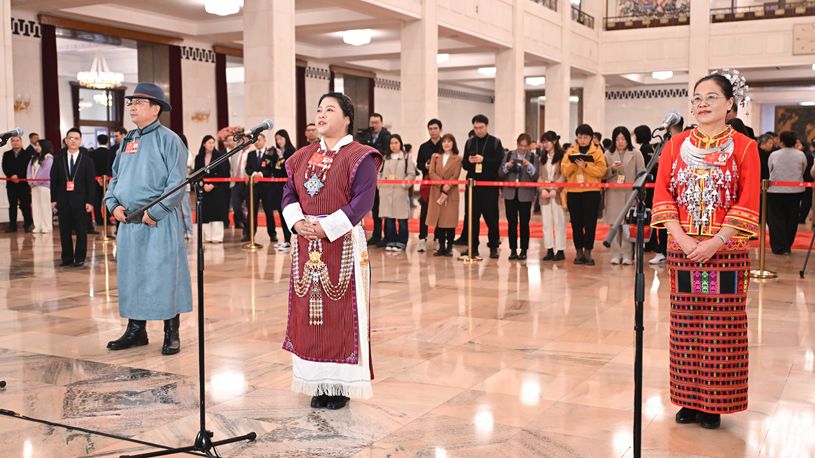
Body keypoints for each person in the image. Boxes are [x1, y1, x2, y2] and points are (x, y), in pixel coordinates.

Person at [651, 71, 759, 431]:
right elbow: (663, 195)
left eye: (711, 97)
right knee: (685, 326)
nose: (702, 103)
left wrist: (716, 241)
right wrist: (681, 239)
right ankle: (687, 400)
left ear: (730, 104)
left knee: (721, 327)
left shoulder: (746, 147)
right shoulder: (673, 144)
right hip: (683, 250)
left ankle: (714, 402)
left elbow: (747, 201)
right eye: (697, 97)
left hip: (726, 252)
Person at [280, 92, 381, 410]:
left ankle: (340, 386)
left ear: (347, 117)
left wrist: (327, 227)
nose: (321, 115)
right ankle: (317, 382)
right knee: (309, 316)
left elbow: (363, 202)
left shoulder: (361, 156)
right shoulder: (301, 157)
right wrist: (297, 223)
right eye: (319, 109)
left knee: (341, 314)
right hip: (306, 243)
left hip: (343, 244)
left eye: (330, 109)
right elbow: (288, 194)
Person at [105, 82, 193, 356]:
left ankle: (171, 332)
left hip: (158, 221)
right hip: (128, 221)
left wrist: (155, 212)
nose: (132, 106)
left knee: (165, 274)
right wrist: (112, 203)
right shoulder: (128, 139)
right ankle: (136, 329)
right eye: (131, 102)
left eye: (139, 102)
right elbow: (115, 177)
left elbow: (177, 184)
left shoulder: (170, 140)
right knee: (132, 275)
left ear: (156, 109)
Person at [561, 124, 607, 265]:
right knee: (576, 223)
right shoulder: (570, 151)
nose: (582, 140)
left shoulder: (597, 152)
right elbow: (564, 171)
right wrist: (575, 165)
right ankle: (578, 252)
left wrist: (585, 166)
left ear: (591, 138)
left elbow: (602, 171)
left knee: (590, 223)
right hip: (574, 191)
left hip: (591, 192)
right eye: (580, 137)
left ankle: (588, 251)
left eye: (585, 137)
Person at [50, 128, 96, 267]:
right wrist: (53, 199)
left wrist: (90, 201)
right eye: (70, 138)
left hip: (81, 201)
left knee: (82, 231)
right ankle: (67, 258)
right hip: (63, 200)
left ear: (80, 141)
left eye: (76, 138)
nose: (73, 141)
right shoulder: (58, 159)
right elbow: (54, 180)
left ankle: (80, 258)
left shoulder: (87, 161)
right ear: (66, 140)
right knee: (64, 231)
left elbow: (91, 183)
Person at [461, 114, 504, 259]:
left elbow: (499, 162)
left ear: (487, 126)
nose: (478, 131)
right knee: (472, 217)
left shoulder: (495, 142)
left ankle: (493, 246)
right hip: (472, 186)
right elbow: (465, 165)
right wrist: (469, 161)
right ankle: (472, 247)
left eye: (480, 127)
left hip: (489, 186)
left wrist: (483, 160)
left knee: (492, 217)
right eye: (475, 128)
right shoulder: (469, 143)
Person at [604, 126, 645, 265]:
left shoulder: (636, 153)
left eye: (623, 139)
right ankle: (615, 254)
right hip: (613, 195)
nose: (620, 142)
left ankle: (627, 254)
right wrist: (611, 170)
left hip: (630, 195)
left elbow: (642, 173)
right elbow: (602, 174)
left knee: (627, 225)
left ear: (628, 140)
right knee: (614, 225)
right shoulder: (608, 154)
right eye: (617, 139)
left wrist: (639, 192)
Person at [245, 130, 292, 249]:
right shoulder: (272, 152)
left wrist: (281, 157)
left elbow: (288, 168)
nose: (279, 141)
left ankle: (286, 239)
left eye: (281, 139)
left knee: (282, 213)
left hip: (285, 187)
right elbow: (272, 168)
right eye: (277, 139)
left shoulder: (291, 151)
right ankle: (286, 240)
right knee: (279, 213)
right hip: (274, 187)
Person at [499, 133, 540, 261]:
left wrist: (529, 166)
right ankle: (512, 250)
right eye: (520, 146)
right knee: (511, 223)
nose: (522, 148)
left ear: (529, 146)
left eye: (525, 146)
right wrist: (507, 166)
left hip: (525, 194)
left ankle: (523, 250)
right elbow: (500, 173)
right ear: (517, 144)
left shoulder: (533, 157)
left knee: (524, 223)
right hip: (510, 193)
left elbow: (535, 176)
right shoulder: (508, 155)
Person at [767, 131, 807, 255]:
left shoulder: (774, 154)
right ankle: (787, 245)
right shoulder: (800, 155)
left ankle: (779, 246)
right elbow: (803, 169)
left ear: (781, 141)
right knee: (791, 218)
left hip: (775, 191)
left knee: (776, 219)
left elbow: (770, 169)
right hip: (795, 191)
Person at [378, 134, 416, 252]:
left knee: (402, 219)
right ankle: (391, 240)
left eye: (396, 143)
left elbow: (411, 174)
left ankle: (402, 242)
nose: (393, 145)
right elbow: (379, 173)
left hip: (400, 191)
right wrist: (380, 185)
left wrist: (405, 184)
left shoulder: (406, 157)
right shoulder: (385, 158)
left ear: (400, 144)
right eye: (391, 143)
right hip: (386, 192)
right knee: (389, 219)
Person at [426, 133, 462, 257]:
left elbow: (456, 175)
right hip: (437, 191)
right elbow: (431, 173)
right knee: (439, 221)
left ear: (453, 144)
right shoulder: (435, 157)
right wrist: (441, 185)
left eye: (449, 141)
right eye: (444, 141)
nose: (446, 144)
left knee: (450, 222)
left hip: (451, 193)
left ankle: (450, 246)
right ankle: (441, 246)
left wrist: (448, 185)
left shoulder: (457, 158)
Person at [359, 113, 390, 246]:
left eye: (376, 122)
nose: (374, 125)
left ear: (381, 123)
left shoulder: (386, 137)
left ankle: (388, 236)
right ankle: (376, 235)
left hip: (383, 176)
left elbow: (382, 152)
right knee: (374, 207)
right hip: (369, 176)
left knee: (385, 209)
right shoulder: (367, 136)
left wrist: (370, 146)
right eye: (372, 122)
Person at [195, 135, 230, 243]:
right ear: (204, 144)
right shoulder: (199, 157)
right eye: (209, 142)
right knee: (206, 213)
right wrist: (203, 185)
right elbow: (197, 173)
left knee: (217, 212)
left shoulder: (220, 156)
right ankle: (208, 236)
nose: (211, 145)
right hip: (203, 188)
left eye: (213, 142)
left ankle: (217, 237)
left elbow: (224, 172)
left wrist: (213, 184)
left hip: (217, 189)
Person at [416, 119, 443, 253]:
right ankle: (422, 238)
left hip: (440, 184)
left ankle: (438, 239)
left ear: (440, 129)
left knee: (440, 212)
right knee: (425, 212)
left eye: (435, 128)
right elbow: (419, 164)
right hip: (427, 182)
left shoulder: (445, 145)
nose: (433, 131)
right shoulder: (423, 146)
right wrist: (426, 166)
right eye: (430, 128)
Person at [539, 131, 567, 262]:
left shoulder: (562, 156)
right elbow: (539, 176)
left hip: (557, 194)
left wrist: (556, 188)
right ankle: (549, 249)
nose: (545, 144)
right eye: (543, 141)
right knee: (546, 223)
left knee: (559, 221)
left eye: (547, 141)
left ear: (554, 141)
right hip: (545, 195)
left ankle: (560, 250)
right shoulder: (542, 158)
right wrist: (542, 189)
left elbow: (564, 175)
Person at [2, 134, 33, 232]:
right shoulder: (7, 154)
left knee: (25, 205)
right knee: (12, 205)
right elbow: (5, 167)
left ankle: (28, 224)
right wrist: (11, 176)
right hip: (11, 184)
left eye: (17, 140)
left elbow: (28, 168)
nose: (15, 142)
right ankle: (12, 226)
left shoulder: (27, 154)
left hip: (23, 184)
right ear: (11, 143)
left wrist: (18, 176)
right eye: (13, 141)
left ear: (21, 142)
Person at [26, 138, 54, 234]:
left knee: (45, 206)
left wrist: (36, 182)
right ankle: (37, 225)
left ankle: (46, 226)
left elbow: (46, 172)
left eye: (39, 145)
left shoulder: (49, 158)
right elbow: (29, 171)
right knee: (36, 206)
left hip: (44, 186)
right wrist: (30, 182)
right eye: (36, 145)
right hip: (34, 187)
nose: (37, 147)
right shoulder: (34, 158)